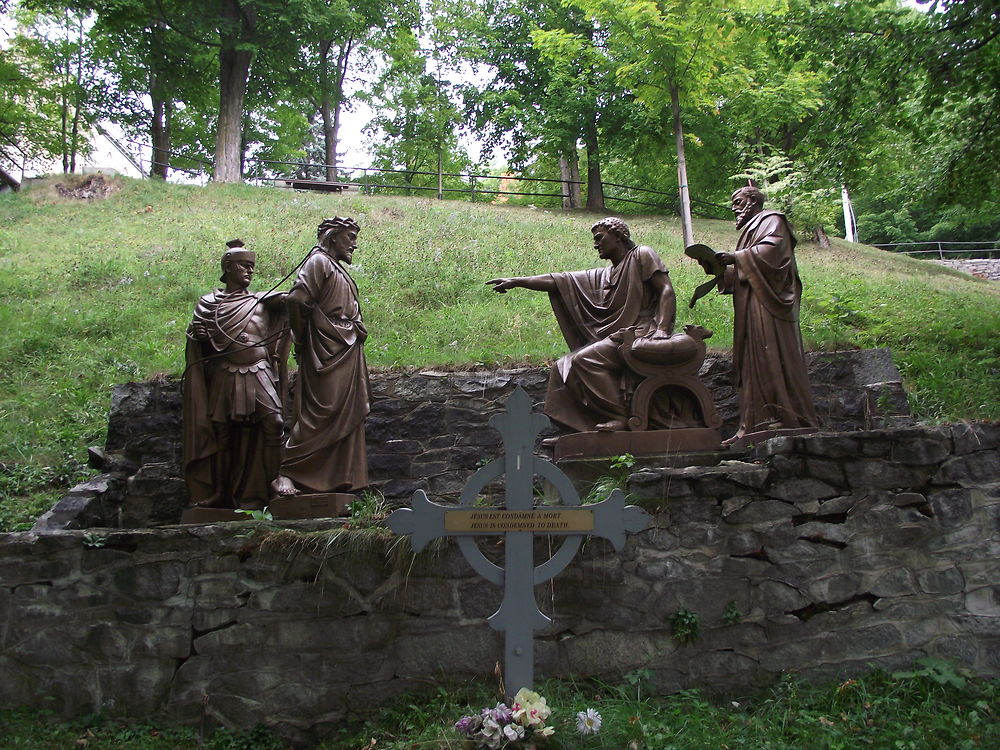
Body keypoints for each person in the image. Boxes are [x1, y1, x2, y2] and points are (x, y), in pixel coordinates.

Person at [487, 217, 681, 433]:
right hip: (619, 336)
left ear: (618, 235)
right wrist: (518, 281)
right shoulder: (605, 274)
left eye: (599, 238)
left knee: (584, 360)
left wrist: (662, 330)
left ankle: (621, 417)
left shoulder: (641, 254)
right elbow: (559, 281)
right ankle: (582, 430)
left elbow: (666, 290)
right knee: (562, 367)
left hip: (643, 332)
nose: (595, 244)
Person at [183, 240, 290, 508]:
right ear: (228, 268)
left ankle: (275, 481)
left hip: (259, 370)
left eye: (252, 267)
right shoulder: (208, 304)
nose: (249, 271)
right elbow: (202, 345)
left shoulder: (263, 300)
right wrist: (201, 338)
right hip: (225, 372)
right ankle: (220, 492)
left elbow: (294, 300)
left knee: (274, 422)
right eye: (244, 265)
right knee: (223, 433)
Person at [714, 185, 818, 443]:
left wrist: (735, 257)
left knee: (772, 354)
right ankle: (756, 422)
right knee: (753, 360)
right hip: (751, 306)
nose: (734, 207)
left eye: (738, 201)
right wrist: (720, 269)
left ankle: (785, 416)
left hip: (770, 306)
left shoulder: (773, 220)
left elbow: (772, 253)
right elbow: (744, 270)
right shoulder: (751, 229)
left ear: (753, 201)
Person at [275, 217, 370, 495]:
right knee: (321, 412)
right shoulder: (318, 262)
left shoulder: (334, 267)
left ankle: (337, 479)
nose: (354, 243)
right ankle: (287, 471)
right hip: (324, 349)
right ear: (332, 237)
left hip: (345, 347)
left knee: (345, 411)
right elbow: (296, 300)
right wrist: (302, 337)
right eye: (349, 237)